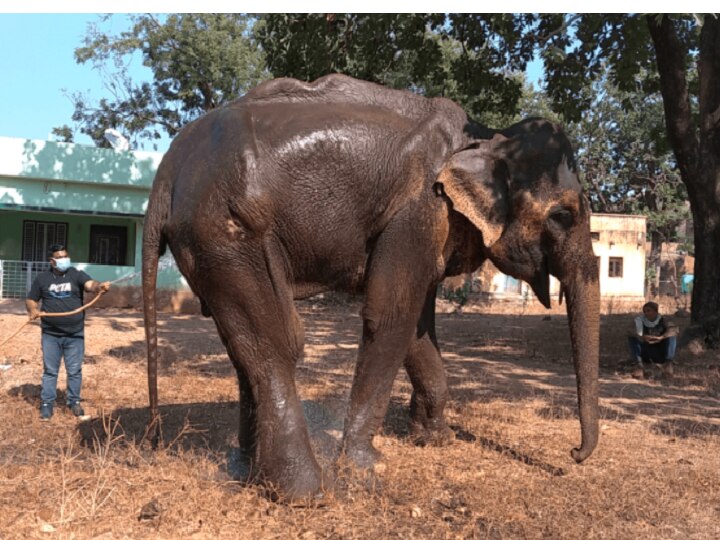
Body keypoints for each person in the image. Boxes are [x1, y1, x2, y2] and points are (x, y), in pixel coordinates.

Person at [26, 244, 110, 420]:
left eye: (66, 256)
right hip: (50, 334)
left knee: (74, 370)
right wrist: (33, 310)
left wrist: (99, 286)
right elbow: (31, 300)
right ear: (52, 261)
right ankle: (47, 404)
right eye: (60, 257)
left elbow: (90, 284)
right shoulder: (42, 279)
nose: (65, 260)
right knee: (50, 371)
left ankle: (74, 402)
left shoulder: (75, 274)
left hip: (74, 334)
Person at [626, 301, 678, 378]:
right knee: (632, 338)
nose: (646, 313)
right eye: (645, 311)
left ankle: (668, 365)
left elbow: (674, 330)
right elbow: (629, 331)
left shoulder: (664, 320)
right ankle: (639, 366)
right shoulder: (638, 321)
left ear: (656, 311)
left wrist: (661, 337)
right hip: (646, 350)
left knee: (671, 337)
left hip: (660, 351)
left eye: (649, 310)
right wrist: (642, 337)